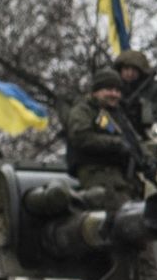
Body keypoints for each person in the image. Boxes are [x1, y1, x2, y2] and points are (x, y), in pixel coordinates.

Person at [62, 63, 149, 205]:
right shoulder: (84, 110)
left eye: (117, 91)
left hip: (123, 177)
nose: (114, 94)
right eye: (109, 89)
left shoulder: (118, 115)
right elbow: (81, 137)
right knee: (119, 215)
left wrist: (147, 158)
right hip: (97, 173)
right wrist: (115, 144)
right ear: (96, 91)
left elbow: (135, 140)